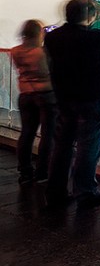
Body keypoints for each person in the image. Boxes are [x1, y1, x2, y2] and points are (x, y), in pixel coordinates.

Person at [44, 0, 100, 209]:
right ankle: (85, 192)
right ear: (90, 16)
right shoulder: (96, 37)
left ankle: (55, 191)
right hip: (95, 99)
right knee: (89, 145)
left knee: (62, 145)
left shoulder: (54, 37)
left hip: (65, 97)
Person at [12, 20, 56, 185]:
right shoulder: (41, 52)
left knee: (27, 134)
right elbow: (46, 71)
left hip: (25, 94)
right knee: (47, 134)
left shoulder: (16, 51)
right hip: (46, 95)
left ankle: (25, 172)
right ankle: (42, 171)